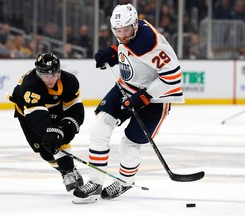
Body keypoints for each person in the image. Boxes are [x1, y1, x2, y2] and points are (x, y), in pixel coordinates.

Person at [72, 3, 185, 204]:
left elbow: (173, 76)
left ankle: (125, 180)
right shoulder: (132, 34)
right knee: (100, 127)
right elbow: (130, 51)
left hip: (156, 99)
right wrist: (115, 53)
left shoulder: (149, 43)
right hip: (127, 87)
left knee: (130, 142)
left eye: (126, 30)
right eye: (118, 31)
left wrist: (146, 96)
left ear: (134, 25)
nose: (122, 35)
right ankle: (96, 181)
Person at [9, 52, 84, 192]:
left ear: (59, 72)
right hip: (26, 111)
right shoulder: (30, 85)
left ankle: (68, 172)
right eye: (45, 75)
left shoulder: (69, 81)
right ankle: (68, 169)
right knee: (45, 150)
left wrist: (67, 128)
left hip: (55, 107)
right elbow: (36, 116)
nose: (50, 79)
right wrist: (47, 131)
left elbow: (76, 109)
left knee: (60, 137)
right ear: (38, 73)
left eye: (54, 75)